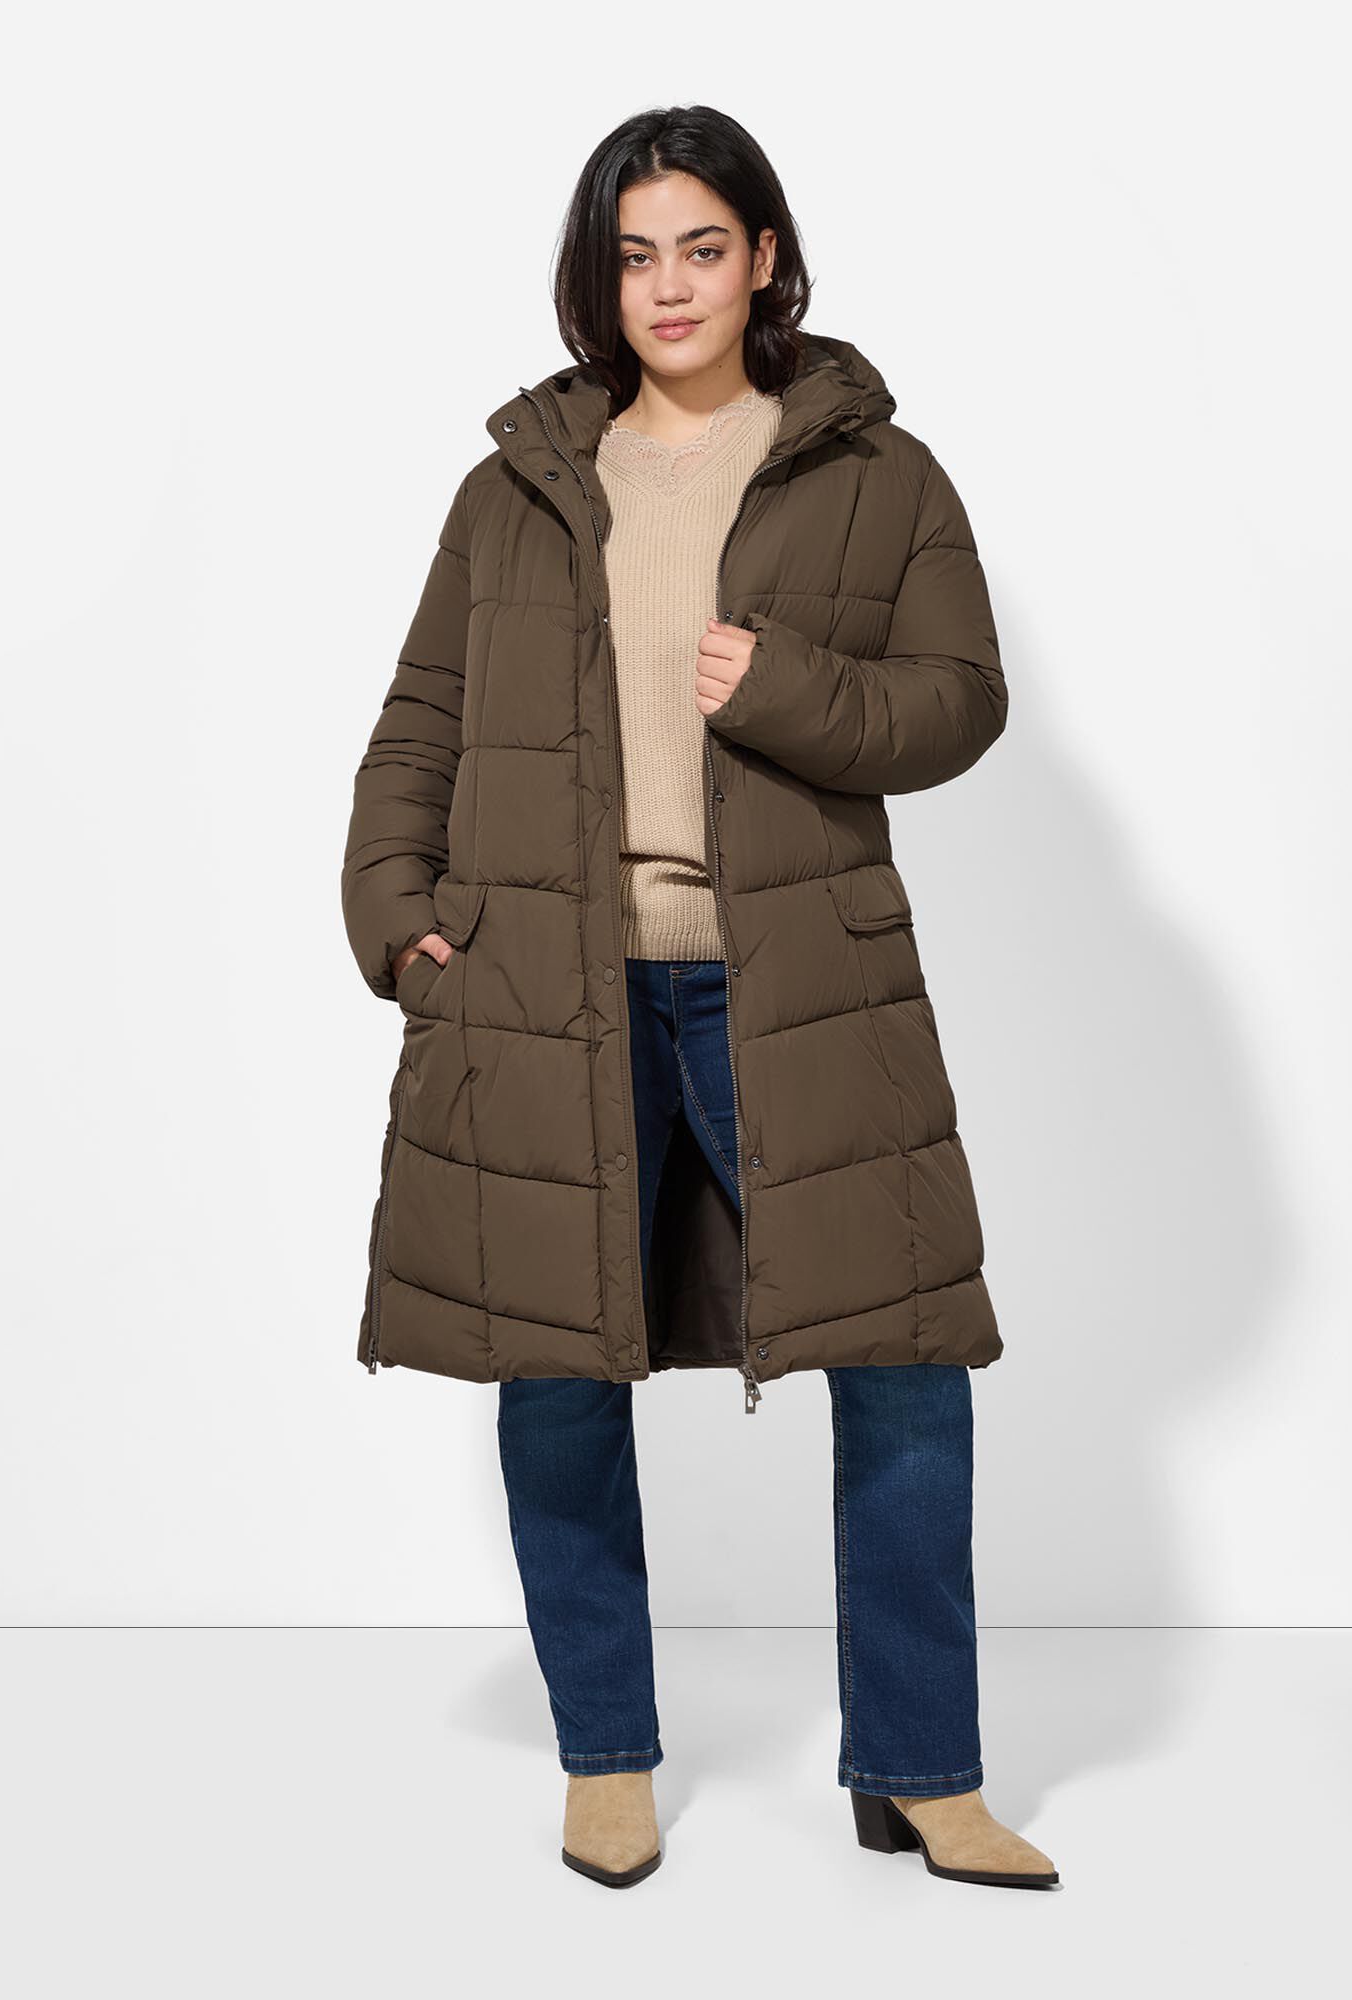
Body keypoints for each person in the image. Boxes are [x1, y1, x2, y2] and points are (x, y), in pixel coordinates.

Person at [340, 103, 1059, 1893]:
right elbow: (422, 720)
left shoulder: (877, 474)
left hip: (794, 985)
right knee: (554, 1372)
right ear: (601, 279)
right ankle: (606, 1758)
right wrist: (400, 919)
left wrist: (791, 684)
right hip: (550, 989)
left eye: (703, 248)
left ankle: (925, 1773)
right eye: (635, 254)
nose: (669, 286)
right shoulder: (517, 488)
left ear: (764, 260)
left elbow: (961, 699)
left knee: (903, 1367)